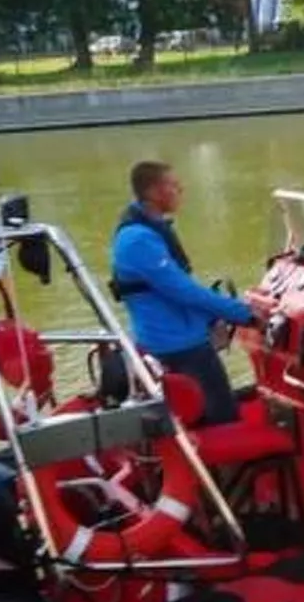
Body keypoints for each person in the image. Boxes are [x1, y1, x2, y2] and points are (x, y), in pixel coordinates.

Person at [110, 160, 257, 426]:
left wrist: (211, 319)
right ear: (155, 192)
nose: (181, 189)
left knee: (208, 415)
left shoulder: (148, 229)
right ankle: (223, 464)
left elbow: (172, 291)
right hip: (179, 347)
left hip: (177, 337)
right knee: (223, 418)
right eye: (173, 185)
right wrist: (245, 313)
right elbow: (182, 291)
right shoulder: (138, 240)